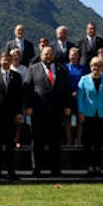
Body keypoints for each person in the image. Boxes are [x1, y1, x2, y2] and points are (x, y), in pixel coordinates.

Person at [24, 46, 71, 176]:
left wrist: (67, 106)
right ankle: (37, 168)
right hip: (38, 111)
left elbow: (67, 88)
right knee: (37, 141)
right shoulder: (33, 69)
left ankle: (55, 169)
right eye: (46, 54)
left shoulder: (62, 69)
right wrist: (28, 106)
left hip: (56, 111)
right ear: (41, 55)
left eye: (50, 53)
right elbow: (27, 89)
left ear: (54, 55)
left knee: (55, 141)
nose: (48, 56)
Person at [0, 52, 23, 177]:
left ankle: (10, 170)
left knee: (10, 144)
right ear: (0, 61)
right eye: (4, 59)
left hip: (11, 115)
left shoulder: (17, 76)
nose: (6, 61)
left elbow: (20, 97)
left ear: (11, 61)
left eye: (8, 59)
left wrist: (19, 113)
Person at [77, 57, 103, 175]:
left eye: (98, 66)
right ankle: (89, 165)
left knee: (98, 142)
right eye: (93, 65)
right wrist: (81, 112)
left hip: (101, 114)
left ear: (102, 68)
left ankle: (97, 165)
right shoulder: (84, 79)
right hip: (87, 114)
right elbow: (80, 97)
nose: (95, 68)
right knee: (88, 142)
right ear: (90, 66)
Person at [66, 47, 88, 145]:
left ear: (78, 56)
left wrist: (78, 92)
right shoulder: (64, 68)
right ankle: (69, 140)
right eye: (72, 55)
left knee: (80, 119)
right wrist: (69, 92)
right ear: (69, 56)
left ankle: (79, 140)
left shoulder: (84, 68)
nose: (73, 57)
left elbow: (86, 82)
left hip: (81, 96)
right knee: (67, 119)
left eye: (75, 55)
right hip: (68, 96)